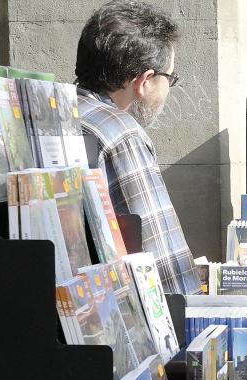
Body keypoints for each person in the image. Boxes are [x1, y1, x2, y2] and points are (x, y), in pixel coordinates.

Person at [75, 0, 201, 295]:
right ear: (144, 81)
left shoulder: (51, 111)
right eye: (170, 78)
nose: (169, 88)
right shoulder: (121, 133)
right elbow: (164, 260)